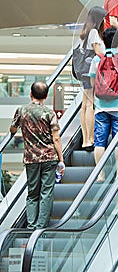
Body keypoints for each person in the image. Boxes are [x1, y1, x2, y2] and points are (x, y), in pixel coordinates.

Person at [10, 82, 64, 229]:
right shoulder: (49, 113)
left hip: (31, 159)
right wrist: (61, 159)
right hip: (49, 157)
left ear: (31, 94)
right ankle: (41, 227)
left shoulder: (21, 110)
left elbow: (13, 128)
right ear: (46, 96)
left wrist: (16, 129)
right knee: (46, 192)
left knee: (32, 193)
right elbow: (56, 138)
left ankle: (31, 225)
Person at [89, 28, 118, 182]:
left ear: (103, 40)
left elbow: (92, 82)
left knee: (99, 141)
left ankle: (100, 175)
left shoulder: (97, 59)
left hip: (101, 107)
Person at [78, 6, 106, 151]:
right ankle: (90, 139)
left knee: (84, 105)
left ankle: (84, 139)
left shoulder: (85, 32)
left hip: (82, 71)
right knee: (90, 105)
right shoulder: (94, 32)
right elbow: (98, 53)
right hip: (91, 72)